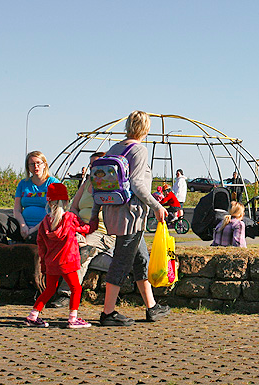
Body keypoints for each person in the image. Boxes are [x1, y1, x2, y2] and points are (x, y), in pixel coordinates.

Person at [90, 111, 170, 327]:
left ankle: (152, 307)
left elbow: (98, 184)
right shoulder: (139, 150)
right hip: (131, 216)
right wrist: (157, 205)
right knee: (121, 262)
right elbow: (138, 184)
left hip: (112, 212)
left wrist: (94, 214)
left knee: (140, 259)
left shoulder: (115, 149)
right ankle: (108, 313)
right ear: (146, 128)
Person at [50, 151, 117, 309]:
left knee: (81, 252)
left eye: (98, 164)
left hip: (100, 232)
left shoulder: (112, 184)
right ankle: (45, 288)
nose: (94, 167)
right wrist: (73, 221)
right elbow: (74, 206)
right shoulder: (87, 183)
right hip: (80, 227)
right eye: (92, 164)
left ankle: (67, 294)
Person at [24, 183, 92, 328]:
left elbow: (41, 246)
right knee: (76, 288)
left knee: (50, 289)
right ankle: (73, 319)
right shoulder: (70, 218)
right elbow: (85, 228)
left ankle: (33, 315)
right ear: (66, 202)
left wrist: (43, 265)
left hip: (51, 262)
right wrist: (93, 222)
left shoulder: (44, 222)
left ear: (48, 202)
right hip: (68, 261)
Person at [14, 151, 61, 244]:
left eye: (38, 163)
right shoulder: (23, 184)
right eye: (32, 164)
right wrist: (23, 226)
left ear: (44, 165)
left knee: (32, 238)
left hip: (45, 227)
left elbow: (55, 212)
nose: (36, 166)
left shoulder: (54, 183)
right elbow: (17, 210)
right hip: (23, 227)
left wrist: (33, 230)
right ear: (28, 167)